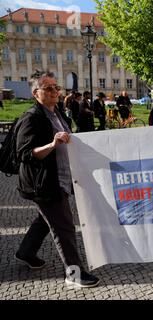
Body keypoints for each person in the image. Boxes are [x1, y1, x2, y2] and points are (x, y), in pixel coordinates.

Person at [14, 70, 99, 288]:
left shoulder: (57, 112)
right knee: (64, 227)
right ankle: (74, 273)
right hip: (43, 184)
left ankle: (26, 252)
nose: (54, 92)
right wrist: (52, 145)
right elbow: (25, 153)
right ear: (35, 93)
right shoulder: (32, 117)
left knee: (45, 219)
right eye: (48, 88)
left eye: (56, 87)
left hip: (60, 177)